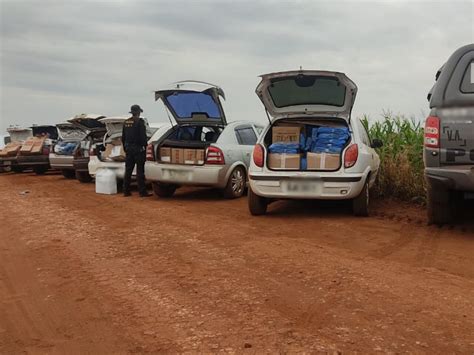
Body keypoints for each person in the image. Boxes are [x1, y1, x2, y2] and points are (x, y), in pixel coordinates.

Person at [122, 104, 152, 197]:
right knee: (140, 171)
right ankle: (142, 192)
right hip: (138, 149)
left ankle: (126, 191)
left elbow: (123, 137)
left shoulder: (126, 122)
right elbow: (143, 137)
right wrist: (145, 146)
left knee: (128, 171)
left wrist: (125, 148)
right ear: (138, 112)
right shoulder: (140, 122)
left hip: (128, 149)